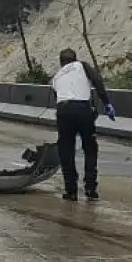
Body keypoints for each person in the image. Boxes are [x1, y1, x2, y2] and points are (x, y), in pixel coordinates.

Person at [50, 48, 115, 202]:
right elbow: (97, 81)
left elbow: (57, 99)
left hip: (64, 111)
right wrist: (106, 103)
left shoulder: (55, 78)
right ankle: (91, 188)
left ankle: (71, 191)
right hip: (83, 110)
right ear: (75, 58)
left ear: (61, 62)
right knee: (90, 147)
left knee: (66, 150)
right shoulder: (82, 66)